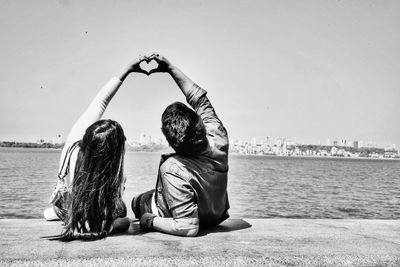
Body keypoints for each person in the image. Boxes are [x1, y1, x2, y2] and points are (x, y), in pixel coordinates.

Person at [43, 56, 148, 240]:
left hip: (66, 207)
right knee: (123, 210)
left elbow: (101, 101)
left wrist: (126, 70)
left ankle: (55, 212)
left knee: (68, 208)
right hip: (85, 210)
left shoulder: (73, 144)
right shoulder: (111, 174)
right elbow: (119, 221)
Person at [132, 53, 230, 237]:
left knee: (138, 202)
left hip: (178, 214)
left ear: (167, 139)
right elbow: (199, 99)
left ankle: (143, 204)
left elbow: (187, 227)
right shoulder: (218, 136)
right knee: (150, 194)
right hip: (216, 214)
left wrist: (150, 221)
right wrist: (170, 67)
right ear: (199, 123)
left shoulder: (172, 169)